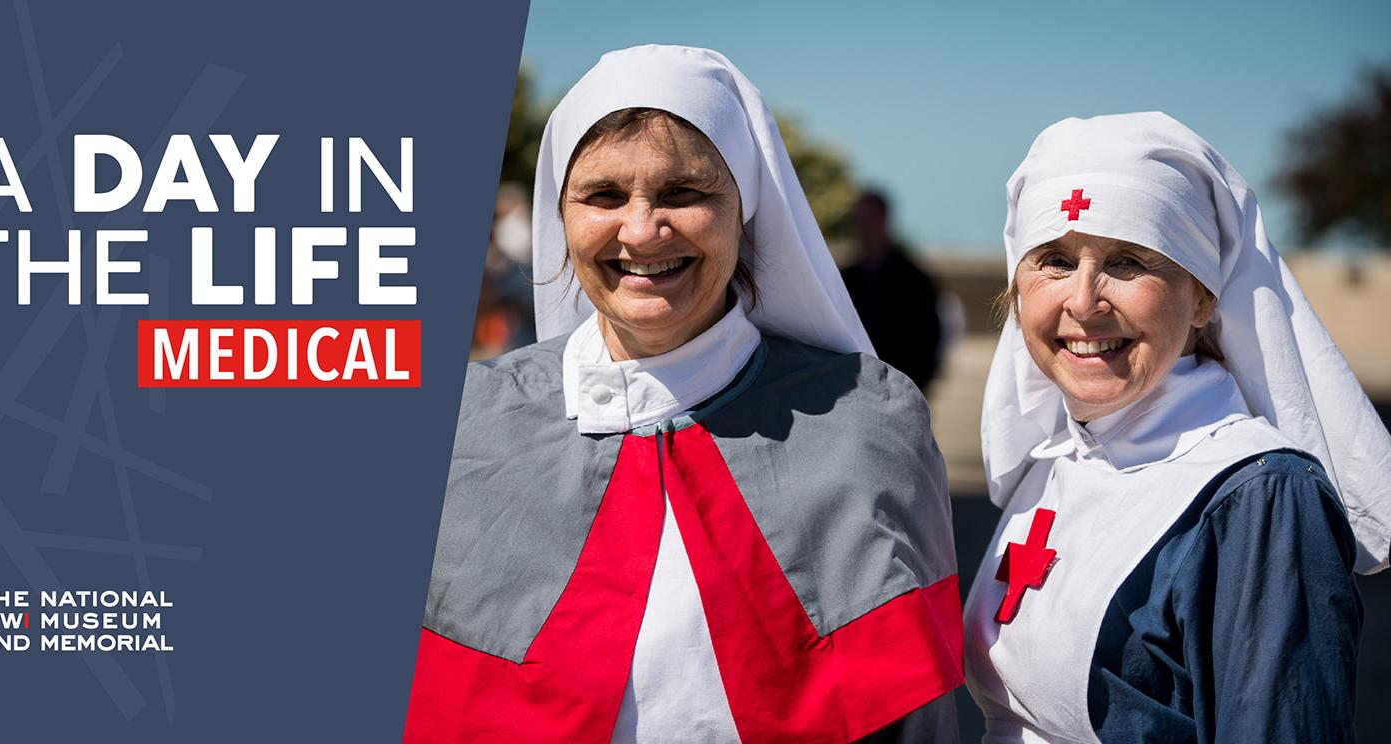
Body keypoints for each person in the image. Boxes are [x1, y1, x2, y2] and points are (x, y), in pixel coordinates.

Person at [406, 45, 963, 743]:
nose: (641, 230)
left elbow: (915, 712)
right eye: (603, 196)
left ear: (746, 212)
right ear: (563, 216)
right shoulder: (467, 421)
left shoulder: (867, 421)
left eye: (683, 193)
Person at [966, 112, 1391, 743]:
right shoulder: (1055, 458)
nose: (1083, 302)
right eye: (1055, 260)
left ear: (1202, 298)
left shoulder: (1259, 498)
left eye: (1128, 262)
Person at [840, 191, 944, 393]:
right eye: (858, 219)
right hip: (854, 389)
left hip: (901, 387)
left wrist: (917, 385)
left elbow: (929, 337)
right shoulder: (847, 278)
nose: (863, 226)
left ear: (884, 219)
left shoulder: (914, 280)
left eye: (869, 218)